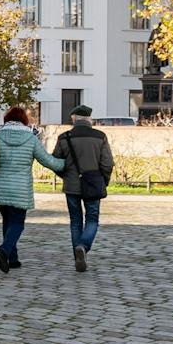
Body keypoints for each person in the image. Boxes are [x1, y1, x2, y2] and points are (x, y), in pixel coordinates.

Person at [0, 105, 64, 272]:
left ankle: (13, 259)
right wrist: (65, 164)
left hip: (1, 186)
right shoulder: (31, 139)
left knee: (7, 221)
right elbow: (47, 161)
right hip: (20, 188)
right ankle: (5, 251)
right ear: (24, 120)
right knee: (18, 223)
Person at [52, 104, 115, 272]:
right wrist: (104, 180)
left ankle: (77, 256)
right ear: (89, 119)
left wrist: (65, 176)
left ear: (74, 119)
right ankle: (83, 247)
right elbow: (107, 163)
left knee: (75, 222)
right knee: (92, 219)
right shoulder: (100, 136)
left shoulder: (64, 137)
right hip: (93, 184)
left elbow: (55, 162)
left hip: (71, 186)